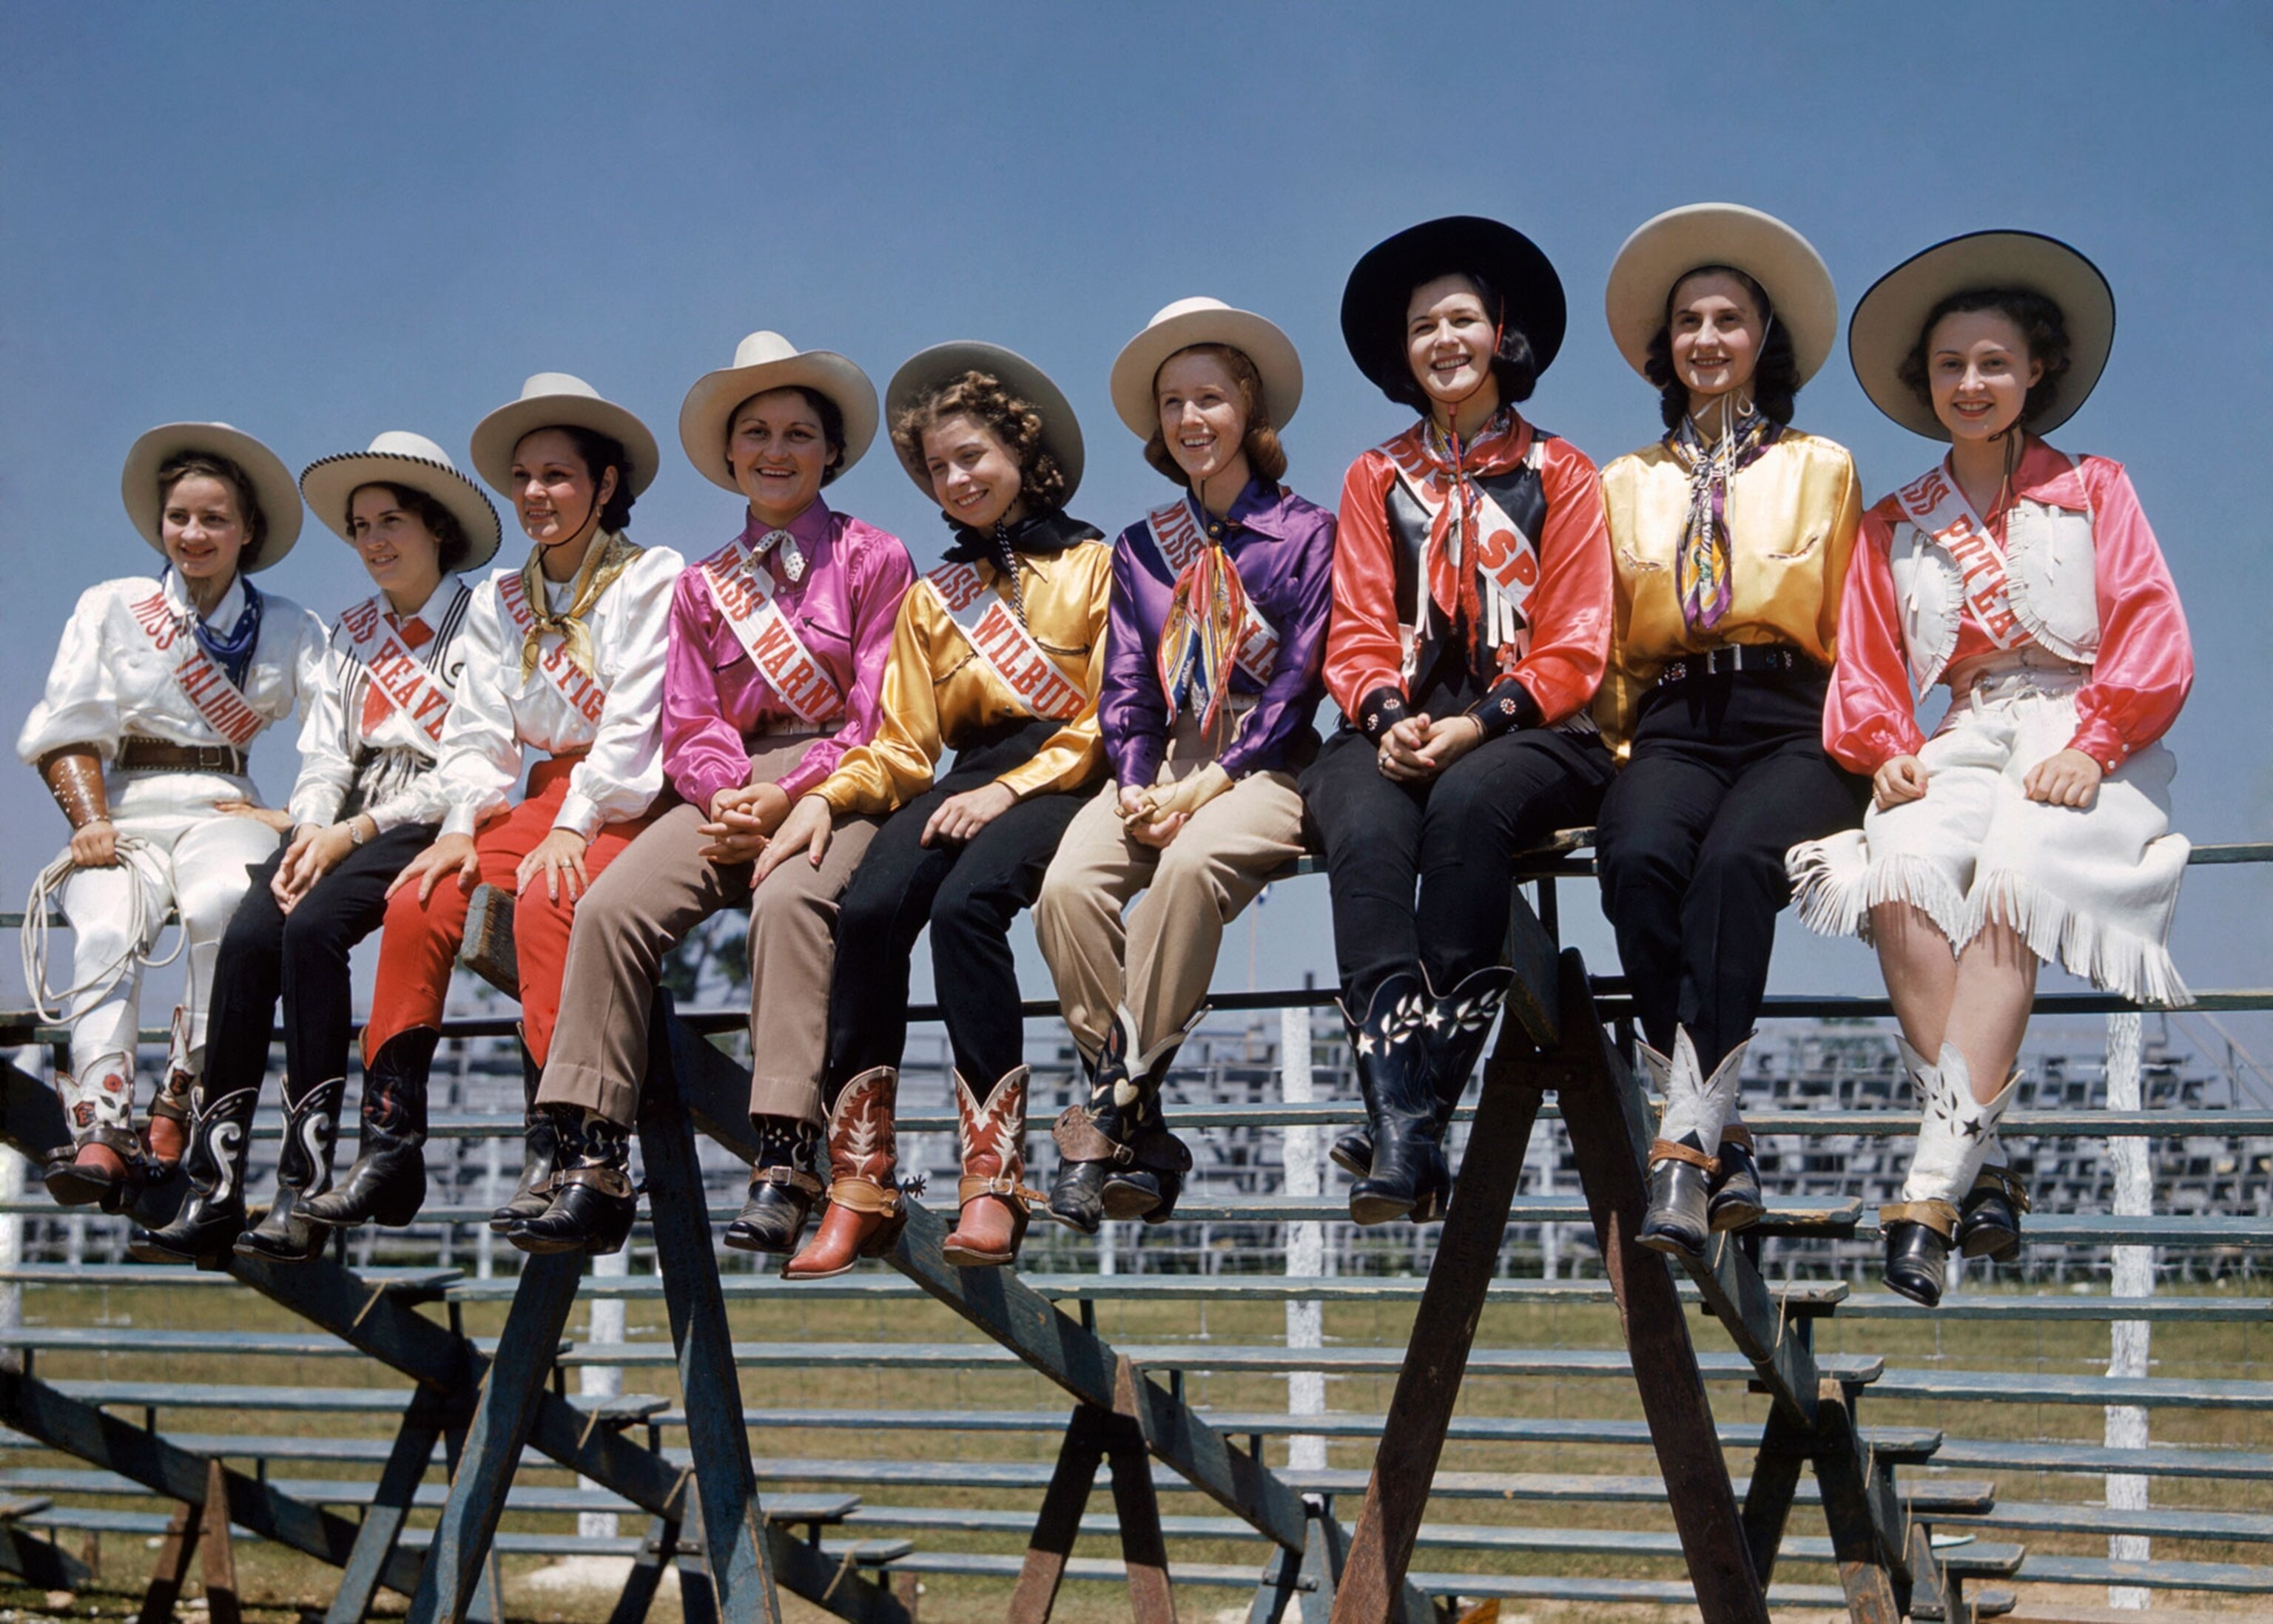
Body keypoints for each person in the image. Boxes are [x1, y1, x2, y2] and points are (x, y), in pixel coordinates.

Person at [1788, 232, 2192, 1307]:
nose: (1972, 384)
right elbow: (1867, 666)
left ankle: (1927, 1194)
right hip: (1961, 730)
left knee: (2012, 873)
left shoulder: (2097, 488)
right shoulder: (1895, 523)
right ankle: (1985, 1158)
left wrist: (2094, 743)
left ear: (2036, 371)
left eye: (1994, 363)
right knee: (1899, 869)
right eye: (1952, 366)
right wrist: (1883, 754)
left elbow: (2154, 636)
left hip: (2087, 725)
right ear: (1928, 383)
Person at [519, 333, 915, 1256]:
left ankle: (786, 1153)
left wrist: (790, 796)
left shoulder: (874, 557)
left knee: (790, 900)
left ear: (831, 452)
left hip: (839, 781)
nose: (776, 450)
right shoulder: (702, 587)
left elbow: (881, 711)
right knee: (610, 905)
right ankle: (592, 1155)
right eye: (756, 433)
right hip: (728, 784)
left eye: (798, 433)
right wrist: (727, 792)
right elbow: (690, 720)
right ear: (730, 454)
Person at [297, 375, 681, 1255]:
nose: (538, 494)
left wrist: (574, 823)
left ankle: (575, 1149)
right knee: (419, 897)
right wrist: (463, 828)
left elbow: (635, 724)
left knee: (552, 899)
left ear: (606, 485)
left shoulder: (651, 576)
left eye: (559, 475)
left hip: (626, 793)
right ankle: (391, 1142)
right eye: (524, 477)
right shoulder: (504, 597)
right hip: (536, 792)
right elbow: (477, 734)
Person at [764, 343, 1111, 1275]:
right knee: (868, 909)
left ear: (1021, 454)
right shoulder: (929, 600)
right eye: (938, 466)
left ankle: (991, 1181)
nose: (955, 479)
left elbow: (1109, 716)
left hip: (1071, 770)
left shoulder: (1095, 565)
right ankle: (861, 1180)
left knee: (965, 911)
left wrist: (1009, 789)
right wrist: (821, 801)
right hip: (965, 776)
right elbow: (905, 746)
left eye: (974, 458)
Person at [1305, 217, 1614, 1225]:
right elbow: (1352, 629)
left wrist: (1478, 725)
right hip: (1397, 717)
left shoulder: (1565, 473)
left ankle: (1406, 1113)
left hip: (1528, 728)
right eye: (1422, 324)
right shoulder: (1369, 476)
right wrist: (1388, 714)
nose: (1443, 338)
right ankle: (1411, 1124)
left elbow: (1575, 642)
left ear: (1500, 334)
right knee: (1358, 820)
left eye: (1462, 318)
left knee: (1469, 804)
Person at [129, 434, 496, 1264]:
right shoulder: (352, 632)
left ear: (436, 526)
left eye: (391, 521)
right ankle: (215, 1186)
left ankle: (305, 1186)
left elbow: (474, 758)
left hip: (429, 813)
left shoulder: (484, 622)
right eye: (360, 525)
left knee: (313, 930)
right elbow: (328, 755)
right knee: (255, 931)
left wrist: (352, 831)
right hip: (342, 814)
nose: (372, 541)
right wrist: (309, 832)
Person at [1588, 204, 1866, 1256]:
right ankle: (1719, 1134)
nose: (1708, 338)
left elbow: (1855, 623)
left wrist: (1871, 749)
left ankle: (1682, 1146)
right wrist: (1621, 756)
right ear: (1666, 349)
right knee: (1643, 854)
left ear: (1763, 341)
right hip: (1673, 714)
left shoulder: (1824, 466)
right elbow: (1613, 639)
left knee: (1738, 866)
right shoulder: (1625, 483)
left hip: (1794, 714)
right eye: (1690, 322)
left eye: (1729, 320)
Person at [1034, 298, 1334, 1231]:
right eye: (1173, 403)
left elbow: (1300, 679)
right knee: (1070, 887)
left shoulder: (1307, 532)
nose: (1191, 419)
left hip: (1267, 761)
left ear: (1248, 410)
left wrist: (1215, 777)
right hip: (1161, 757)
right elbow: (1124, 683)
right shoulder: (1140, 548)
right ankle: (1138, 1111)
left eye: (1210, 398)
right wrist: (1133, 780)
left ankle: (1112, 1115)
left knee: (1191, 870)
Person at [20, 423, 324, 1210]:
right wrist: (87, 817)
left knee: (228, 902)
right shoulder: (114, 604)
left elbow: (342, 732)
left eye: (214, 518)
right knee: (102, 919)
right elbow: (66, 722)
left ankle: (180, 1100)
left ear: (247, 530)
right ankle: (100, 1121)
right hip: (122, 806)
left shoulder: (289, 624)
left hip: (224, 803)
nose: (194, 534)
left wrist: (296, 810)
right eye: (180, 517)